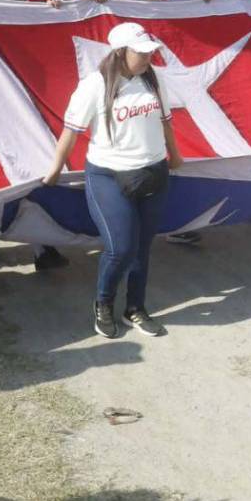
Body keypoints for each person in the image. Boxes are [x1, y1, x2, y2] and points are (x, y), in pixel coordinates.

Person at [43, 22, 184, 338]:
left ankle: (135, 308)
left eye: (151, 51)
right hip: (109, 175)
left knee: (141, 248)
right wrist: (54, 169)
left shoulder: (152, 78)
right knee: (120, 247)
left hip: (153, 172)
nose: (149, 57)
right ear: (121, 52)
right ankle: (103, 304)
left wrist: (174, 156)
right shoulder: (95, 85)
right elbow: (71, 131)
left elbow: (166, 122)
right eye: (142, 52)